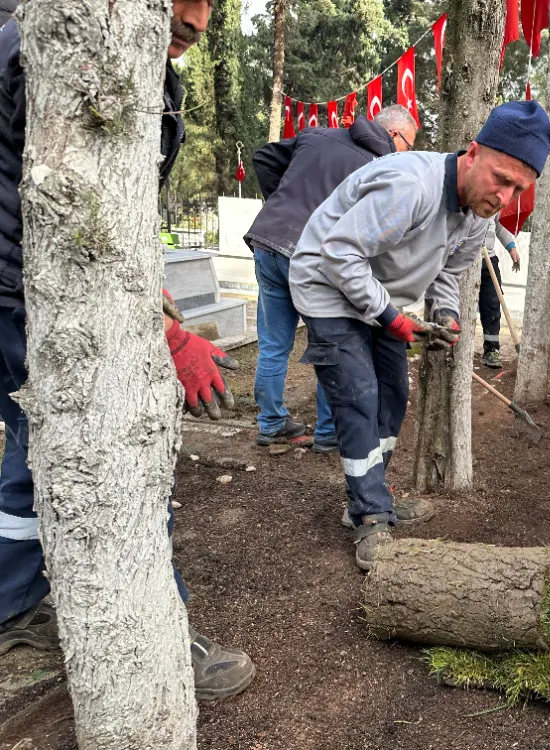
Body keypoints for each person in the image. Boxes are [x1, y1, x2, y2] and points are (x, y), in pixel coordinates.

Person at [0, 2, 256, 701]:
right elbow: (72, 219)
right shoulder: (65, 49)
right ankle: (156, 643)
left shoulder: (122, 66)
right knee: (118, 444)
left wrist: (157, 293)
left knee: (35, 443)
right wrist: (164, 335)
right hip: (26, 290)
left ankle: (13, 604)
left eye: (212, 4)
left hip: (19, 287)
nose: (198, 21)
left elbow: (118, 209)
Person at [289, 100, 550, 570]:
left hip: (378, 295)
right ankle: (370, 516)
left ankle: (374, 497)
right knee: (359, 396)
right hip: (327, 285)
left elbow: (448, 272)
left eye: (518, 188)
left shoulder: (480, 216)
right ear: (473, 153)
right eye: (501, 178)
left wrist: (447, 314)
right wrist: (391, 318)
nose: (504, 197)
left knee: (393, 396)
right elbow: (339, 255)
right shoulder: (410, 187)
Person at [244, 105, 418, 453]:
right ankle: (328, 432)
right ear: (395, 135)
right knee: (332, 342)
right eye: (409, 146)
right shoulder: (383, 167)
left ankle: (271, 424)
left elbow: (264, 157)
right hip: (314, 256)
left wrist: (280, 204)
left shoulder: (318, 135)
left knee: (274, 344)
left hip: (268, 240)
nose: (408, 154)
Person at [478, 218, 520, 368]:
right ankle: (454, 347)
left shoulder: (496, 200)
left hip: (489, 258)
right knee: (461, 305)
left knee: (493, 303)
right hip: (466, 257)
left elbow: (500, 226)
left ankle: (491, 350)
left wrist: (512, 248)